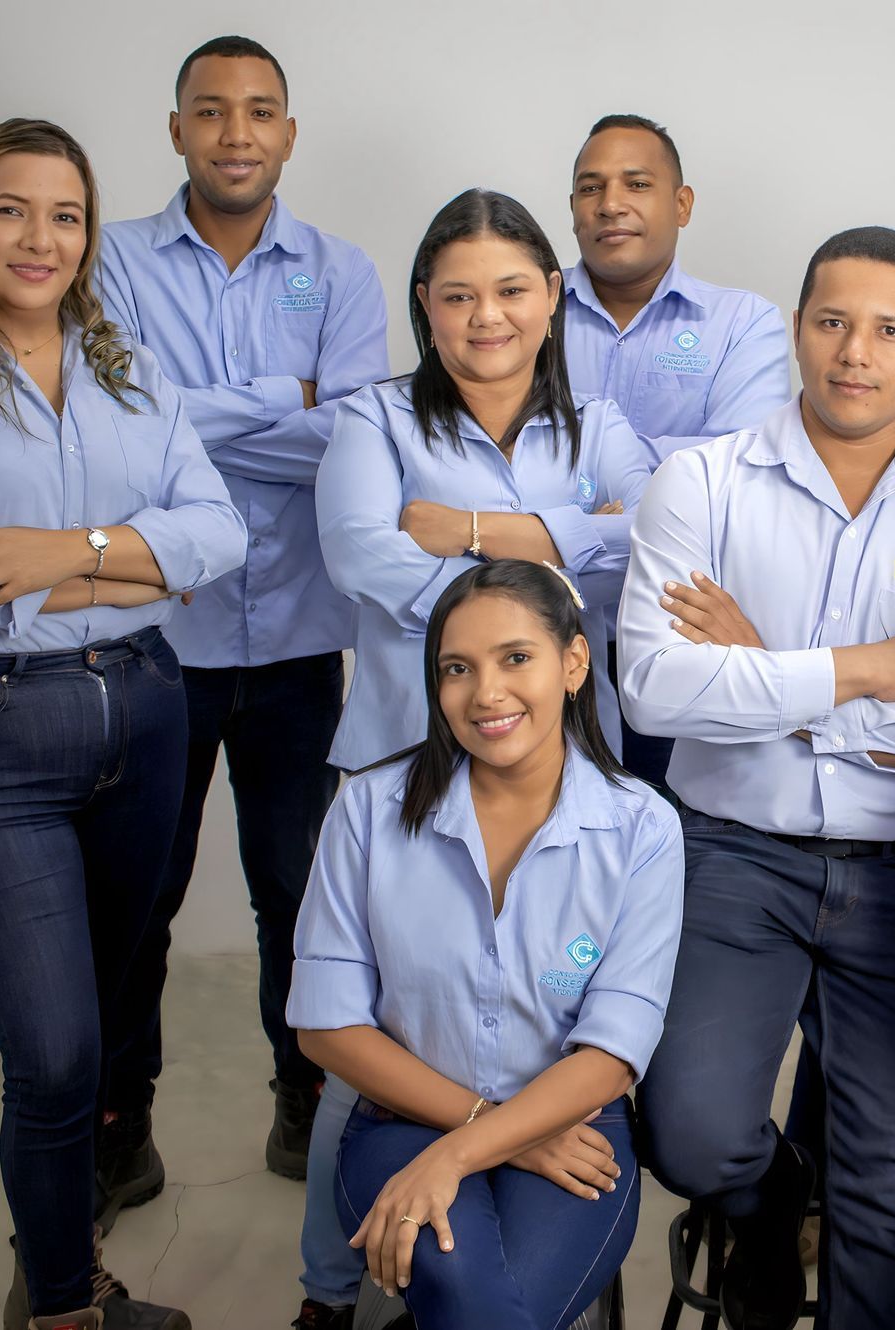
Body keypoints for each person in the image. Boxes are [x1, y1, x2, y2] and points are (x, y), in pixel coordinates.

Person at [0, 118, 245, 1330]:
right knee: (58, 1049)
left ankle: (55, 1257)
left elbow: (220, 538)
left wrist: (58, 557)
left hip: (144, 719)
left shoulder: (129, 371)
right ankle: (66, 1307)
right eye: (12, 209)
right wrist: (134, 569)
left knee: (112, 1017)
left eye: (65, 214)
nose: (41, 238)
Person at [621, 226, 895, 1330]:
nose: (855, 351)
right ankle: (767, 1207)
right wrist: (861, 675)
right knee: (689, 1129)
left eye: (889, 329)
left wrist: (767, 677)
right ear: (796, 330)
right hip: (732, 854)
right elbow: (654, 693)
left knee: (887, 1188)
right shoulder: (700, 482)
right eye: (831, 322)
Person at [301, 188, 650, 1329]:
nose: (485, 316)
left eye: (510, 290)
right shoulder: (373, 420)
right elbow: (360, 553)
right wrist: (550, 576)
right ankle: (329, 1290)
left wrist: (461, 532)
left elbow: (644, 552)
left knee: (543, 1007)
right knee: (379, 1028)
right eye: (456, 295)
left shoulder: (604, 431)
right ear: (425, 308)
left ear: (553, 298)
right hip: (406, 762)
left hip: (559, 770)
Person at [92, 34, 391, 1220]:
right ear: (175, 130)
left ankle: (302, 1095)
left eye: (259, 111)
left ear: (289, 134)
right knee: (138, 895)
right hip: (153, 643)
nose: (235, 133)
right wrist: (289, 401)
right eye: (210, 112)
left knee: (299, 893)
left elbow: (356, 433)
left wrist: (184, 420)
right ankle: (120, 1120)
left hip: (301, 644)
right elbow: (117, 429)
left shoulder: (346, 270)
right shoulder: (107, 265)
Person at [289, 559, 683, 1330]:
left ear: (574, 664)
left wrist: (460, 1154)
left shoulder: (643, 827)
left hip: (578, 1135)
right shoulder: (368, 811)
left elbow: (613, 1050)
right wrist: (491, 1134)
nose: (486, 694)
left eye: (516, 659)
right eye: (457, 669)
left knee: (485, 1309)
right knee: (473, 1297)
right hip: (402, 1121)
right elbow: (327, 1026)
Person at [562, 112, 792, 785]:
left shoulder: (742, 323)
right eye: (590, 188)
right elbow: (488, 455)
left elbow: (736, 469)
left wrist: (574, 482)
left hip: (684, 630)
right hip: (543, 629)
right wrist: (658, 475)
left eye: (636, 183)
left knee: (674, 854)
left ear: (681, 204)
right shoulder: (524, 308)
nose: (611, 204)